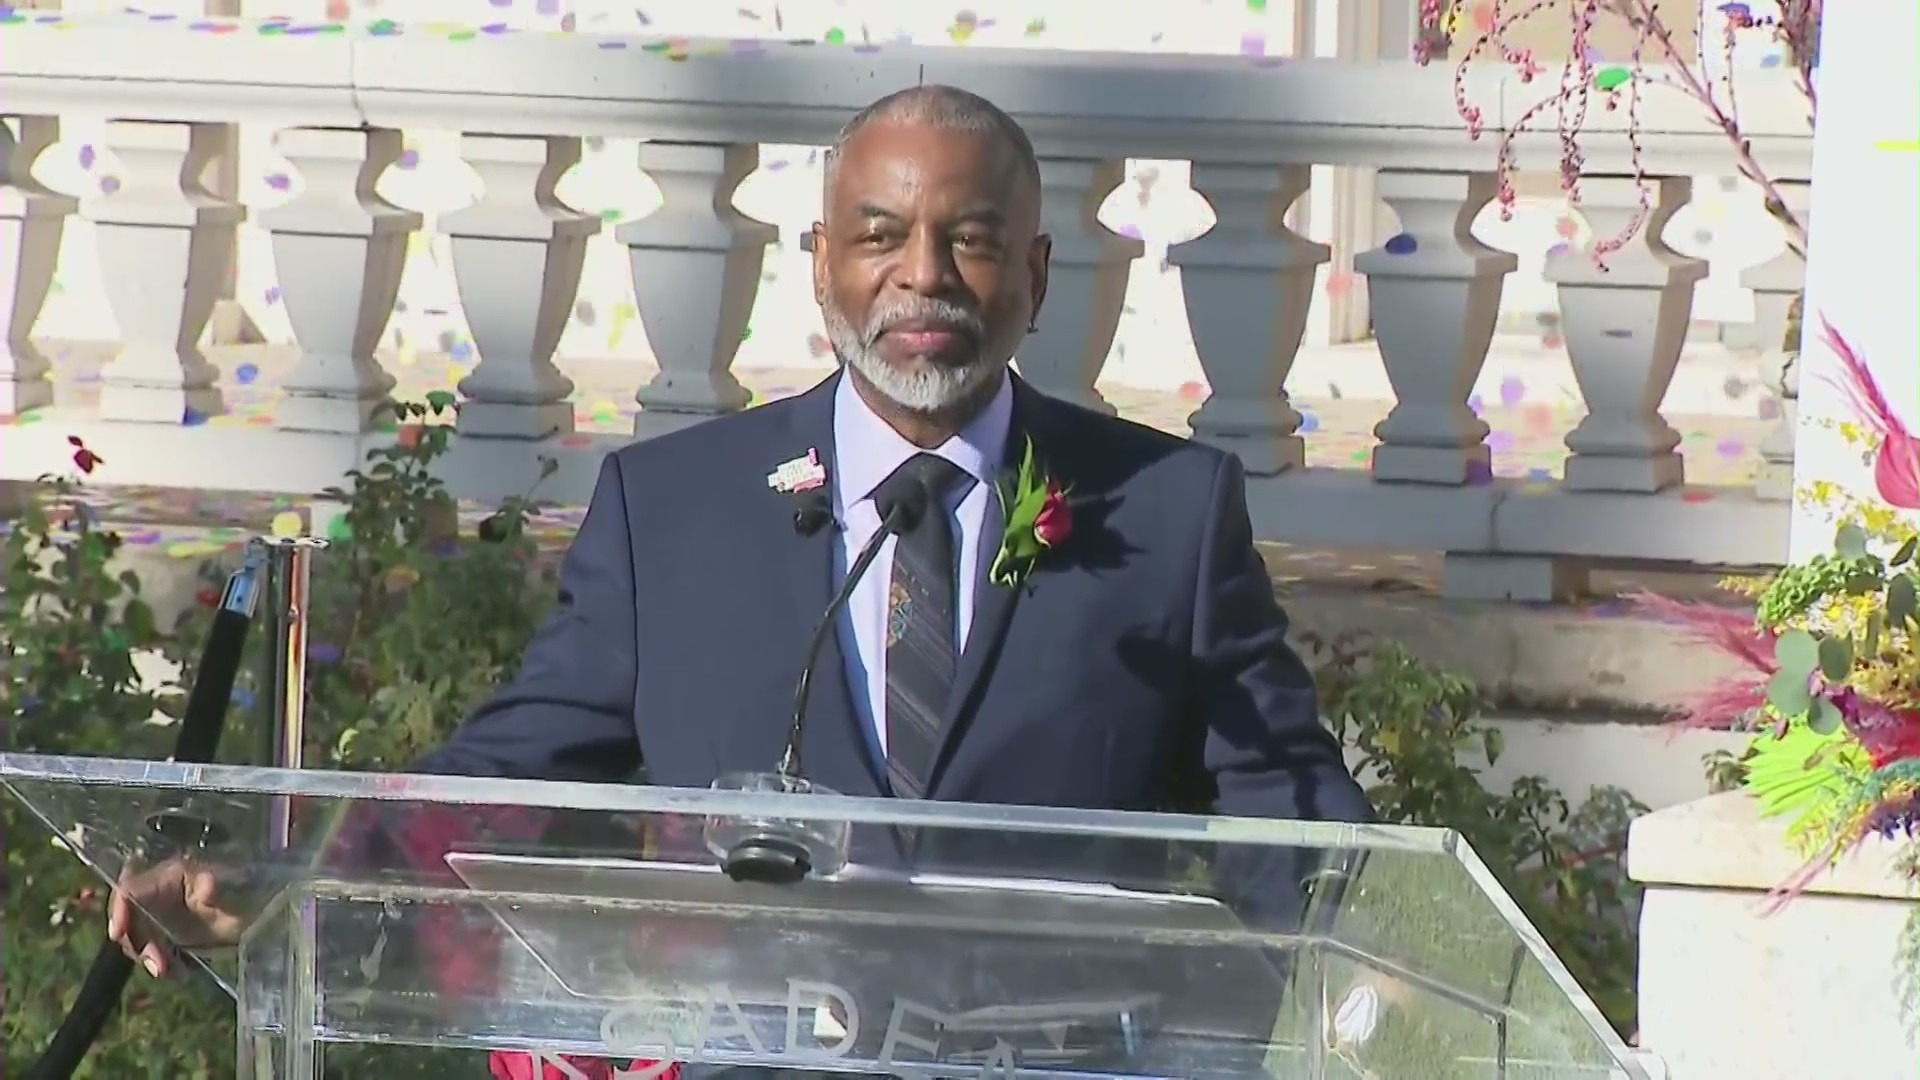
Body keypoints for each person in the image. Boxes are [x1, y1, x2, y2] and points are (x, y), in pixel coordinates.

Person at [109, 84, 1373, 1067]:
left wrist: (1365, 968)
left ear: (1035, 276)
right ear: (821, 263)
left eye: (972, 239)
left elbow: (1288, 815)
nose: (924, 274)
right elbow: (505, 778)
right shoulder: (674, 514)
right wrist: (302, 871)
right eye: (881, 236)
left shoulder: (1165, 509)